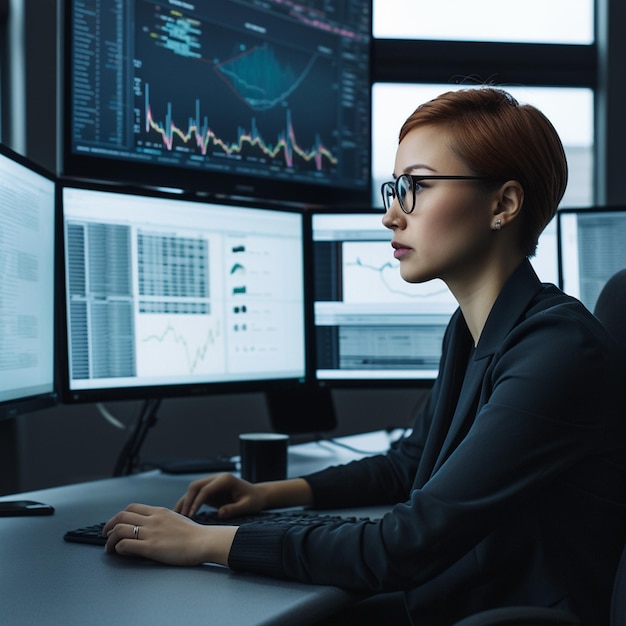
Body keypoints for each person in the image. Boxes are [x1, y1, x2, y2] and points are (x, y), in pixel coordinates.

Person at [103, 87, 626, 626]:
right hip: (464, 597)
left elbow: (404, 545)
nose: (391, 216)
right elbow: (410, 464)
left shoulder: (560, 350)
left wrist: (208, 543)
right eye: (394, 189)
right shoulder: (474, 330)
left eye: (416, 187)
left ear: (503, 204)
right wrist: (269, 494)